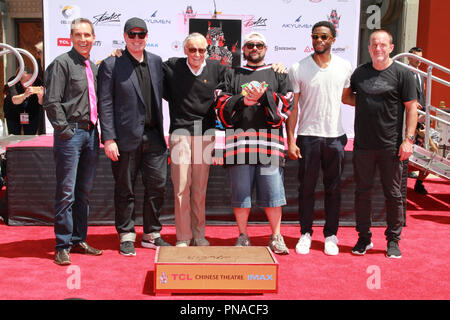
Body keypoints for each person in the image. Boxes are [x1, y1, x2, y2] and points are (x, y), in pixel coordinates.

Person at [214, 32, 294, 255]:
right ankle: (243, 235)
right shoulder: (232, 73)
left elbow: (287, 103)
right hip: (239, 146)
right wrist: (243, 100)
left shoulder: (278, 74)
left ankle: (276, 236)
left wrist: (265, 95)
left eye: (259, 45)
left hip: (270, 146)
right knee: (241, 195)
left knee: (273, 194)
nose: (255, 48)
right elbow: (219, 101)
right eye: (250, 45)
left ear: (266, 48)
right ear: (244, 49)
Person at [342, 29, 418, 259]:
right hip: (363, 145)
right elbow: (347, 97)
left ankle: (393, 241)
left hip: (391, 146)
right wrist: (367, 104)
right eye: (374, 44)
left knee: (393, 194)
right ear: (369, 48)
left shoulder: (403, 74)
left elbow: (412, 108)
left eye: (383, 45)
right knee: (362, 193)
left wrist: (408, 140)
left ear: (391, 48)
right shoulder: (360, 73)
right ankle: (363, 238)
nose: (378, 48)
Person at [98, 17, 170, 256]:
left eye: (141, 35)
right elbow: (105, 103)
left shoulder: (157, 62)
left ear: (147, 36)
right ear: (125, 36)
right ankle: (127, 234)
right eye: (132, 35)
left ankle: (151, 233)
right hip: (125, 139)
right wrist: (108, 138)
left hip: (155, 138)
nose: (137, 39)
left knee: (157, 186)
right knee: (125, 189)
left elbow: (183, 75)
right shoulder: (111, 64)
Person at [287, 21, 353, 256]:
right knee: (306, 188)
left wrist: (379, 100)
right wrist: (291, 140)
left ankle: (331, 236)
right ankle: (305, 233)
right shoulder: (298, 68)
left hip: (335, 137)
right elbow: (293, 108)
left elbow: (348, 98)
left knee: (333, 189)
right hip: (308, 137)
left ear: (333, 39)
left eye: (324, 36)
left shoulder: (345, 67)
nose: (319, 40)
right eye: (315, 36)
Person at [44, 18, 103, 265]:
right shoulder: (61, 63)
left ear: (93, 37)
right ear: (71, 37)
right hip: (72, 135)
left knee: (83, 193)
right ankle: (62, 244)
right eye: (78, 35)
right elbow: (51, 101)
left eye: (87, 35)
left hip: (91, 134)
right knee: (66, 192)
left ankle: (78, 239)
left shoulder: (91, 66)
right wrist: (65, 131)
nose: (83, 39)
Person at [163, 33, 229, 247]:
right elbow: (144, 65)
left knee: (199, 189)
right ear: (185, 51)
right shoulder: (172, 67)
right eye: (192, 50)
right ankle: (183, 236)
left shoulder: (217, 69)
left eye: (201, 50)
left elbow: (239, 79)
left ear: (207, 51)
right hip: (180, 133)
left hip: (205, 134)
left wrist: (277, 68)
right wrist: (118, 54)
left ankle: (199, 235)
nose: (197, 54)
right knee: (182, 187)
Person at [4, 68, 43, 135]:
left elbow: (41, 103)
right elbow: (14, 100)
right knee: (14, 138)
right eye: (27, 80)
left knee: (30, 137)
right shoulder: (13, 81)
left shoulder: (37, 81)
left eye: (31, 80)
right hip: (13, 114)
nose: (30, 83)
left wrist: (41, 97)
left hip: (32, 113)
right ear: (19, 80)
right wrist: (25, 95)